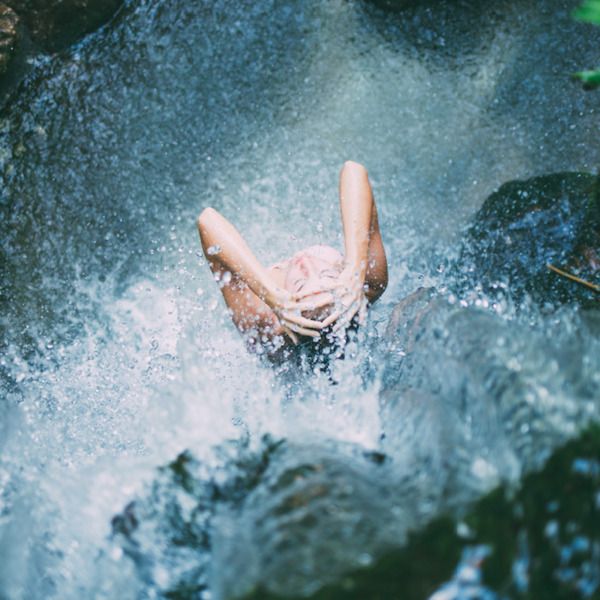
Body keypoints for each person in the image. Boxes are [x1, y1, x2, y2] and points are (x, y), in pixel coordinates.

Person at [197, 160, 388, 355]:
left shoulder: (264, 325)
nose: (306, 264)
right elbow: (353, 170)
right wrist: (355, 268)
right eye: (327, 275)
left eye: (299, 284)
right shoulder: (367, 285)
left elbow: (207, 220)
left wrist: (270, 295)